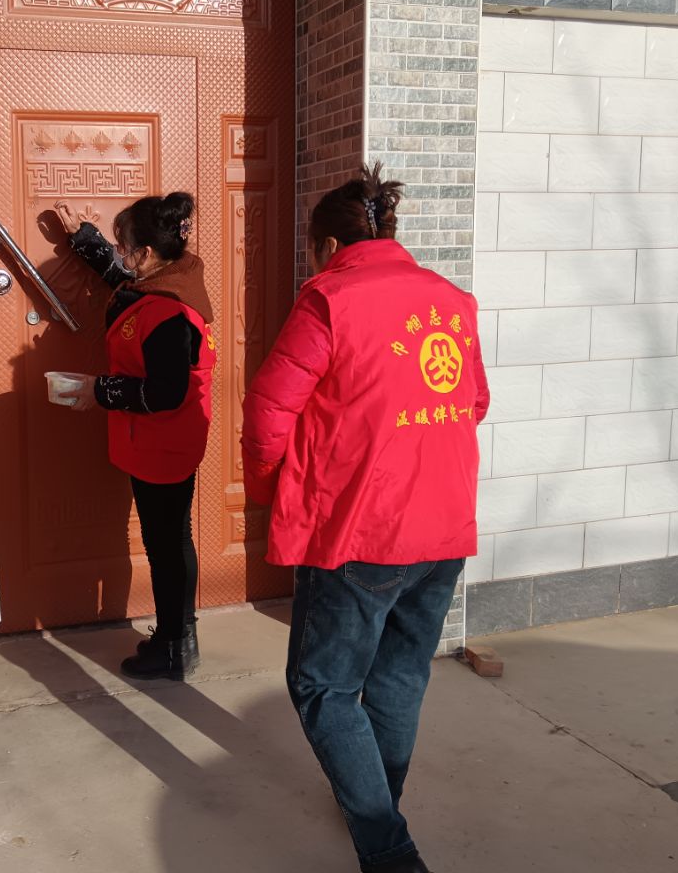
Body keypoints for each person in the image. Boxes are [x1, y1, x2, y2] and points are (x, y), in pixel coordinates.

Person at [241, 165, 489, 873]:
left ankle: (387, 846)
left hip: (361, 529)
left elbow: (268, 414)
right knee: (400, 675)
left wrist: (273, 492)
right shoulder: (451, 301)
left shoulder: (330, 300)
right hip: (443, 524)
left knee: (323, 685)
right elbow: (472, 402)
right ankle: (380, 800)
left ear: (326, 245)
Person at [54, 193, 216, 681]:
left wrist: (98, 390)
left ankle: (172, 646)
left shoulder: (167, 313)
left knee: (165, 544)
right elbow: (123, 283)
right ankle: (180, 639)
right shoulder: (169, 280)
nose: (120, 254)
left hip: (161, 442)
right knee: (172, 538)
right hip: (165, 440)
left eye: (123, 246)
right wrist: (86, 241)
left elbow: (166, 392)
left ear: (146, 253)